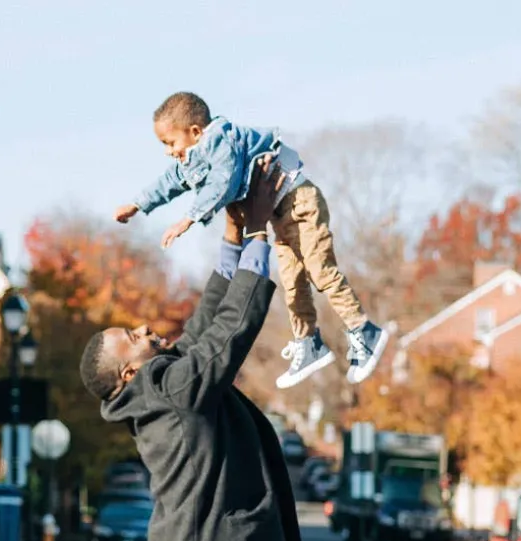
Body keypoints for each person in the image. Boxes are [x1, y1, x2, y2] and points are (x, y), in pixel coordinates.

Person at [81, 161, 304, 541]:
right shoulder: (165, 393)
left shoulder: (161, 388)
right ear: (127, 375)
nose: (141, 329)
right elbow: (228, 334)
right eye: (131, 340)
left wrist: (233, 233)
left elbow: (205, 327)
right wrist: (260, 236)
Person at [114, 91, 388, 389]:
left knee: (319, 270)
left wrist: (188, 219)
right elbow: (169, 181)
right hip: (279, 214)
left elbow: (223, 182)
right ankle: (308, 342)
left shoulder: (220, 142)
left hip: (300, 202)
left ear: (195, 132)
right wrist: (139, 204)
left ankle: (363, 328)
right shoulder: (194, 155)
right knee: (292, 280)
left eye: (170, 143)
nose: (168, 151)